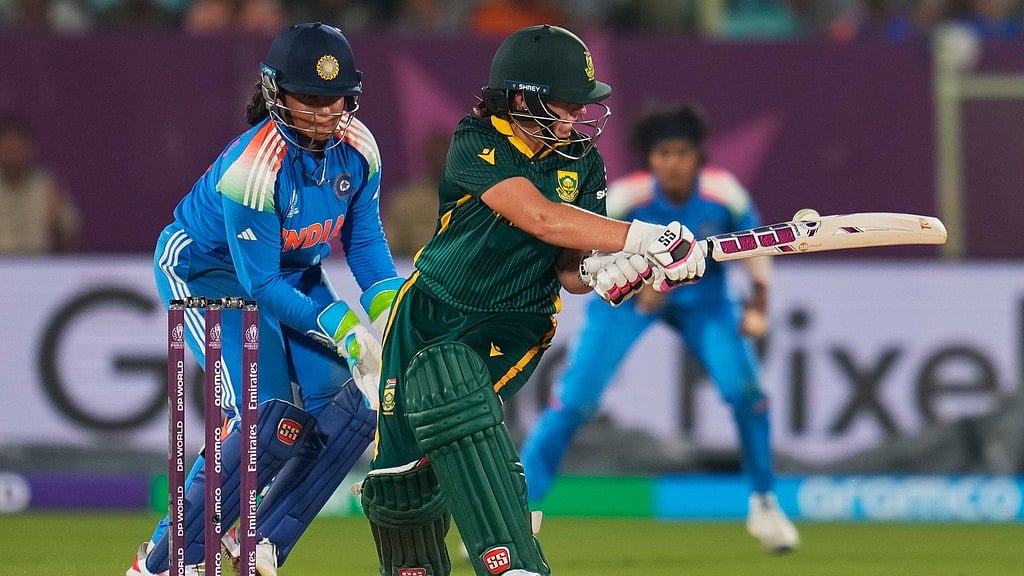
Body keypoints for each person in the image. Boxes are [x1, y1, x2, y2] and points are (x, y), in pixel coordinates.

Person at [358, 24, 706, 576]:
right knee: (400, 485)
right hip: (425, 310)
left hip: (514, 321)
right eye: (567, 104)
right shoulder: (476, 139)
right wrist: (642, 238)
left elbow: (570, 270)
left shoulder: (583, 161)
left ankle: (511, 561)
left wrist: (609, 272)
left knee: (453, 391)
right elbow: (539, 217)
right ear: (523, 100)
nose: (579, 115)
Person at [126, 22, 403, 576]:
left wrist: (395, 315)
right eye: (310, 99)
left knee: (352, 410)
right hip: (207, 273)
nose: (325, 114)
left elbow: (366, 245)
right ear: (277, 93)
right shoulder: (254, 166)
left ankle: (260, 542)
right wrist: (344, 326)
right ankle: (162, 561)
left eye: (336, 99)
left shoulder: (359, 148)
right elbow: (259, 285)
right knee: (264, 415)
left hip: (292, 272)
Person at [518, 103, 800, 554]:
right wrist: (640, 281)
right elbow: (586, 254)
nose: (673, 163)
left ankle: (765, 504)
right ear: (650, 159)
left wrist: (759, 303)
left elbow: (755, 245)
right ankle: (517, 509)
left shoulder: (724, 194)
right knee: (574, 401)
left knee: (747, 395)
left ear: (697, 157)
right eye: (663, 154)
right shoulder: (625, 198)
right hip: (628, 302)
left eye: (682, 153)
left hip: (704, 303)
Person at [0, 114, 81, 254]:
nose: (13, 155)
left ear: (29, 149)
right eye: (8, 149)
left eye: (18, 148)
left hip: (40, 262)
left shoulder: (47, 185)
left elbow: (71, 242)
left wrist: (55, 224)